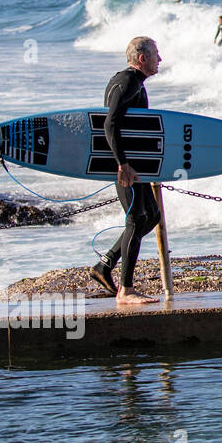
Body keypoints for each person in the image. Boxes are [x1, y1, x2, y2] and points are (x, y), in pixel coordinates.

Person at [88, 37, 163, 305]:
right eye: (156, 54)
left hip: (134, 163)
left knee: (151, 216)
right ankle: (126, 290)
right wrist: (122, 164)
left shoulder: (134, 82)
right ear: (142, 58)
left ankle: (104, 266)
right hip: (123, 165)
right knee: (135, 220)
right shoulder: (128, 81)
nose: (160, 59)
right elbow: (110, 125)